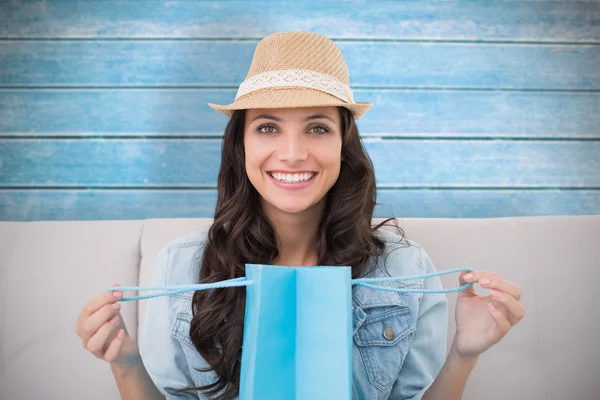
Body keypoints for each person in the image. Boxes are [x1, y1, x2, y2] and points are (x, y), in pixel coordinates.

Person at [74, 31, 526, 400]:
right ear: (242, 145)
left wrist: (464, 355)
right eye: (268, 126)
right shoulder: (182, 266)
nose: (292, 154)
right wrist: (125, 364)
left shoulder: (406, 269)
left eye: (317, 127)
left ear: (343, 147)